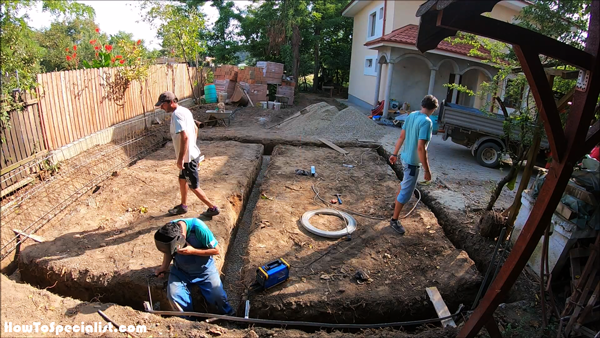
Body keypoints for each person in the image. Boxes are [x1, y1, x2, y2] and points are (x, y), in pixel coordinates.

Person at [155, 91, 220, 217]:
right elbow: (195, 128)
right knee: (182, 179)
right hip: (191, 154)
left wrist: (181, 159)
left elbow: (184, 138)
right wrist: (192, 145)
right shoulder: (184, 110)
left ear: (171, 102)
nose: (161, 107)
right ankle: (183, 205)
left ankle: (213, 208)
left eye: (163, 105)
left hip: (188, 159)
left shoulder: (177, 116)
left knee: (194, 186)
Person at [154, 218, 233, 315]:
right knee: (174, 295)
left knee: (217, 296)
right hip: (180, 271)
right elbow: (169, 251)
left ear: (180, 238)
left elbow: (216, 250)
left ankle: (228, 315)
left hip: (204, 270)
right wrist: (164, 267)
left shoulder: (199, 228)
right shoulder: (169, 230)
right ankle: (187, 320)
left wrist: (193, 251)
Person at [388, 95, 438, 235]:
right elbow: (421, 148)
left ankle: (395, 205)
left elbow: (401, 137)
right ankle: (394, 220)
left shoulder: (412, 115)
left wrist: (394, 153)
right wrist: (427, 171)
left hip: (404, 158)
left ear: (422, 104)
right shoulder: (427, 122)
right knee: (406, 192)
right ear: (434, 109)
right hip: (412, 163)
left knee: (404, 184)